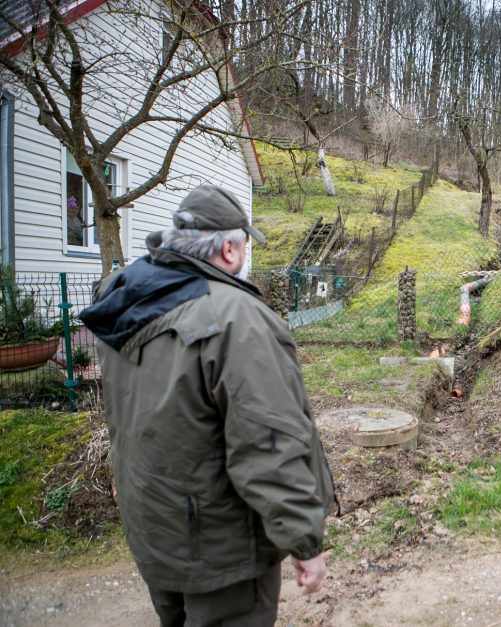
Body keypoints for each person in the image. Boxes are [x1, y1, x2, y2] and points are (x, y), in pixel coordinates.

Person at [80, 185, 335, 627]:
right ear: (230, 248)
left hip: (155, 529)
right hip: (222, 547)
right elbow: (267, 442)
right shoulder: (236, 319)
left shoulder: (127, 302)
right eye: (245, 244)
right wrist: (303, 539)